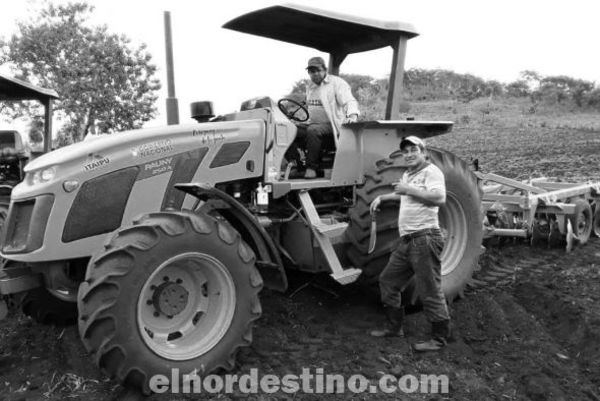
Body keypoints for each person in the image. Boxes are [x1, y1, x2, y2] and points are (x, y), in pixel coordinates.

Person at [369, 136, 451, 352]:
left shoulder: (431, 171)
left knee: (429, 289)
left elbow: (439, 197)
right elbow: (405, 196)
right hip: (407, 240)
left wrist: (408, 190)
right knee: (388, 281)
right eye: (405, 151)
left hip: (425, 238)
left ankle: (439, 339)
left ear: (424, 152)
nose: (409, 154)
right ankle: (394, 328)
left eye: (414, 149)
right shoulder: (409, 174)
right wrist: (384, 198)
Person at [289, 56, 360, 179]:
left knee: (313, 130)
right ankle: (298, 166)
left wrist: (352, 116)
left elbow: (349, 101)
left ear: (325, 70)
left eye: (317, 70)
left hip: (333, 127)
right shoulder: (310, 87)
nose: (315, 74)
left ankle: (311, 168)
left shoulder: (337, 83)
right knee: (287, 130)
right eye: (311, 71)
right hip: (314, 124)